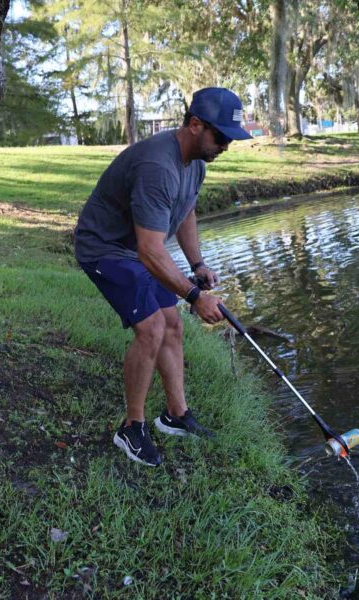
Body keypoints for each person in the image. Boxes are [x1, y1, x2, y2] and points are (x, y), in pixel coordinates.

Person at [73, 87, 252, 466]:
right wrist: (194, 296)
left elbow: (185, 211)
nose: (225, 147)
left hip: (135, 249)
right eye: (221, 137)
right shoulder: (158, 166)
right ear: (194, 125)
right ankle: (131, 428)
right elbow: (150, 252)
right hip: (104, 249)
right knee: (152, 326)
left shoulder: (196, 162)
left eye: (230, 140)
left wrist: (198, 265)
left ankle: (175, 415)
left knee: (172, 325)